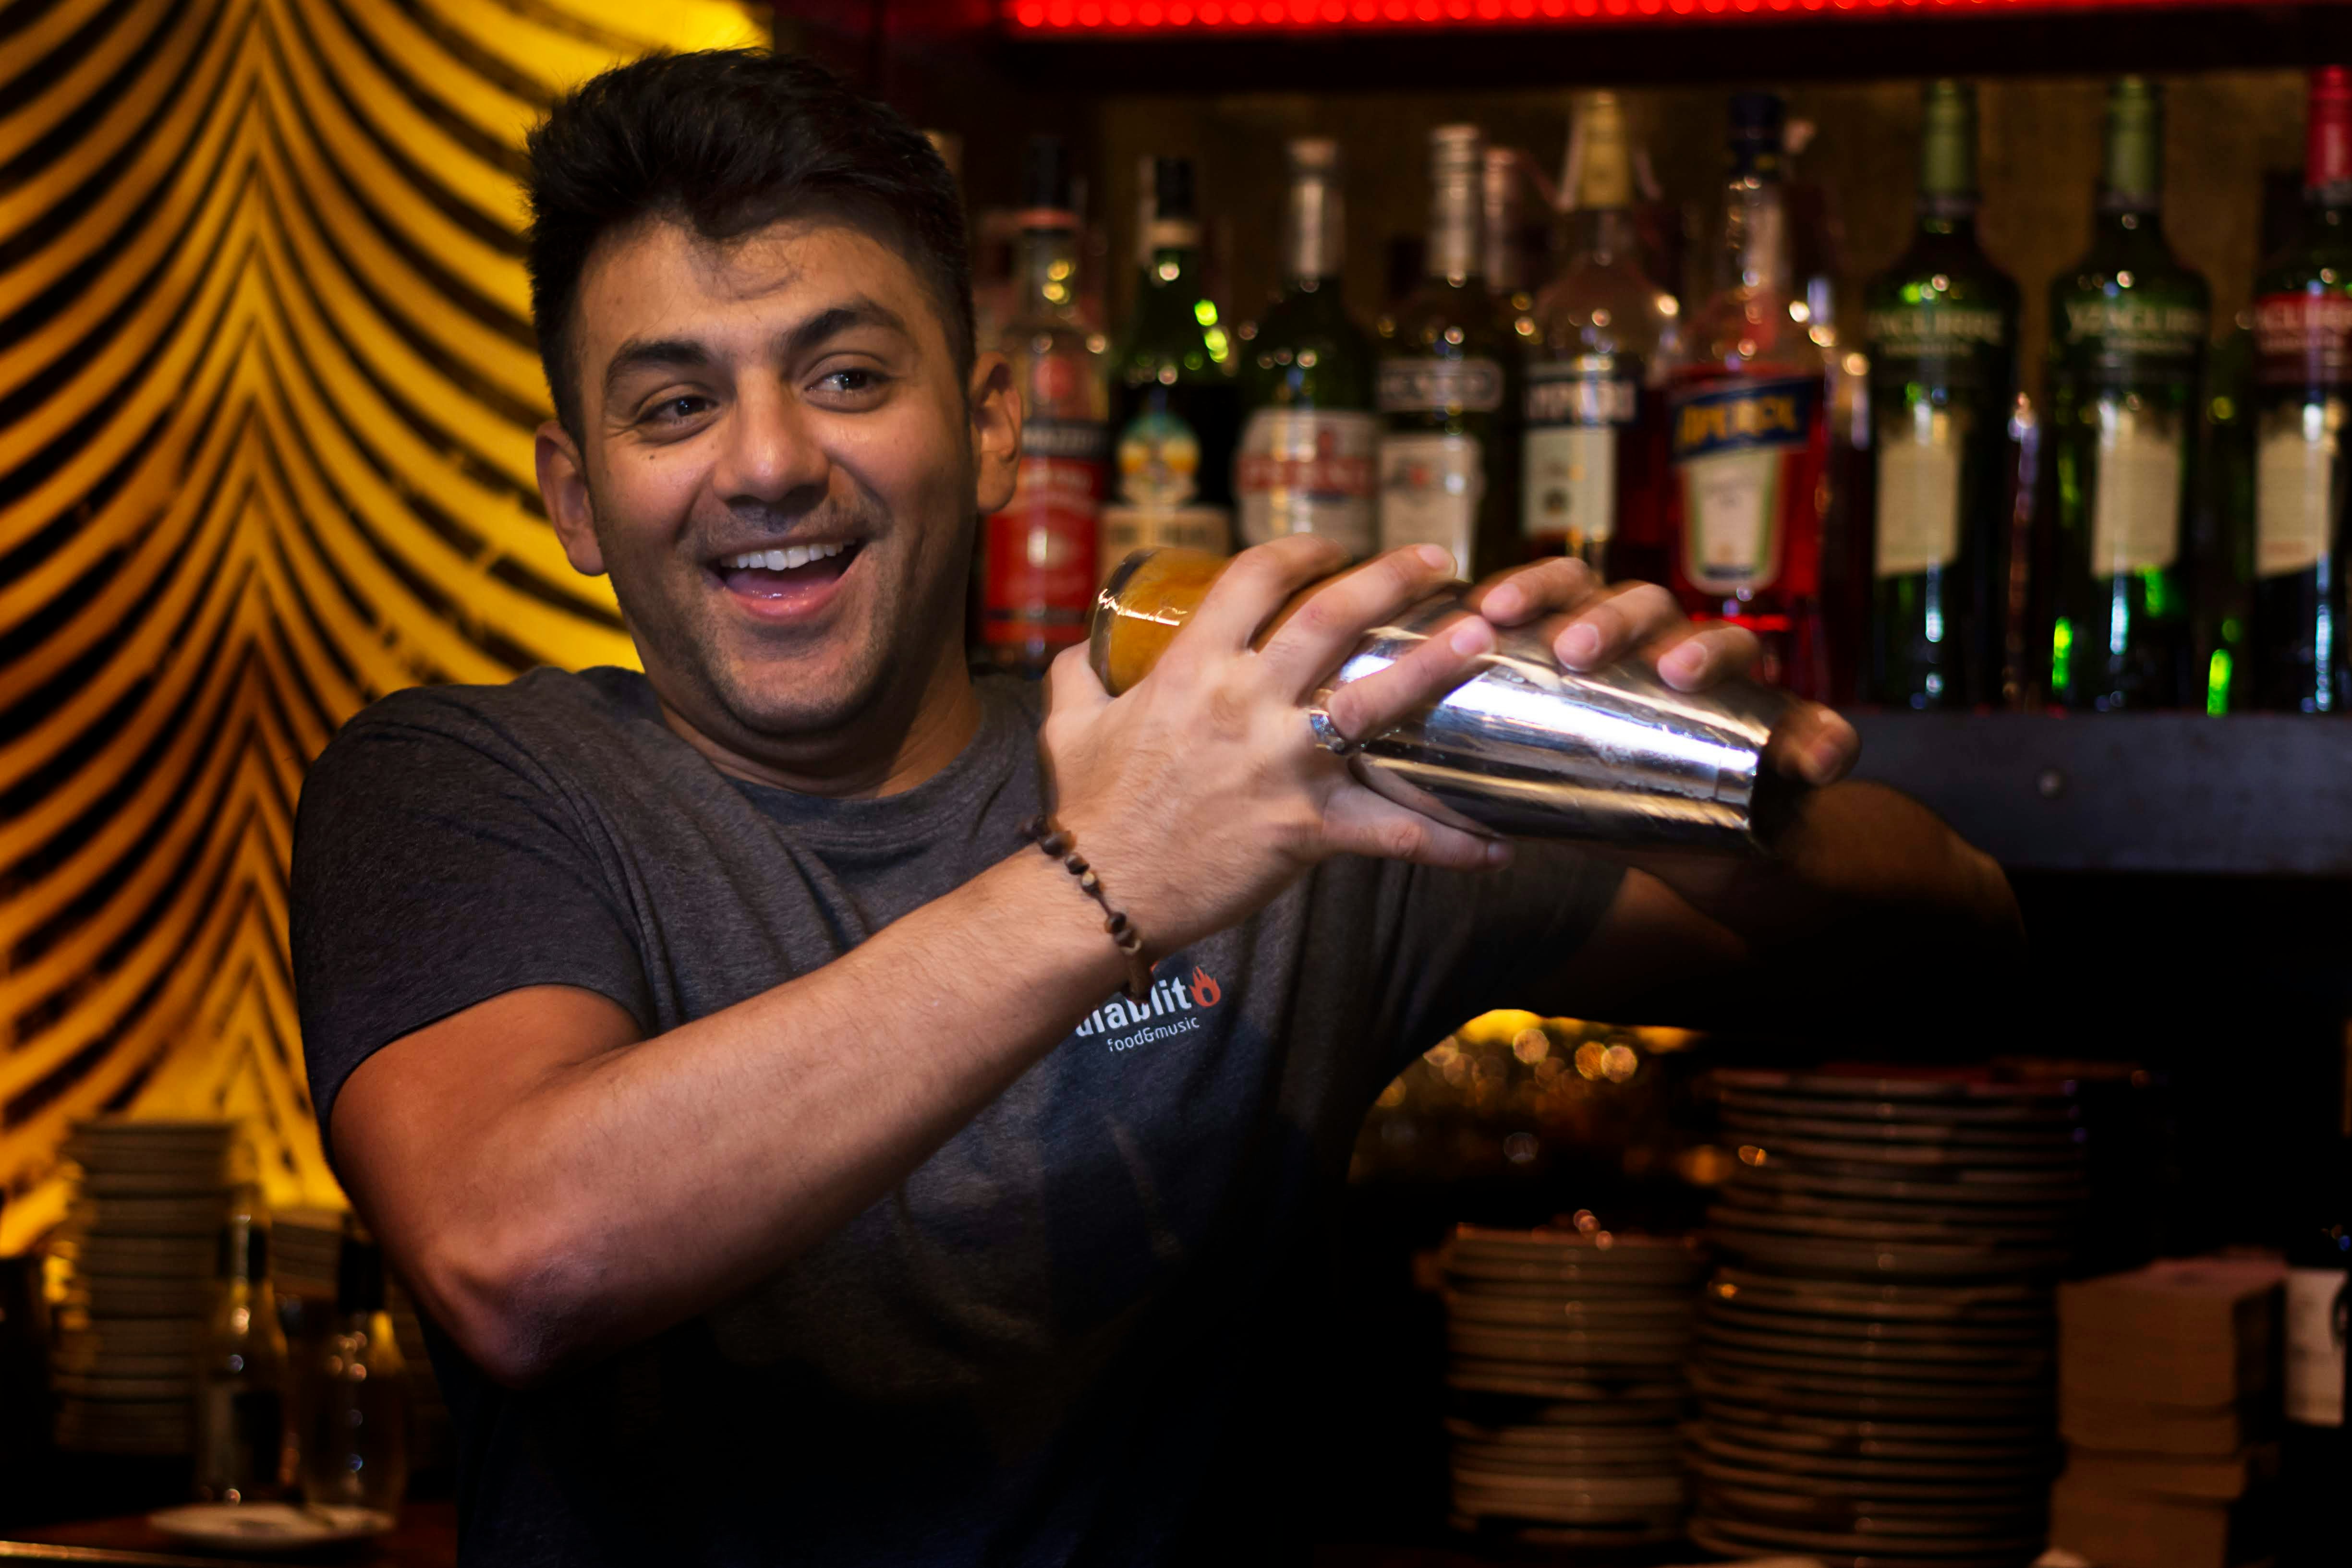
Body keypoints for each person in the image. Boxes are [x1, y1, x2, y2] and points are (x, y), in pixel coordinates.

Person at [291, 49, 2019, 1567]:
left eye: (844, 376)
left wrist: (1674, 777)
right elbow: (518, 1254)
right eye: (674, 405)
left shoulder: (1266, 760)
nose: (761, 462)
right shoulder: (472, 787)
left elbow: (1946, 934)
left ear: (984, 428)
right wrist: (1105, 873)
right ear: (577, 499)